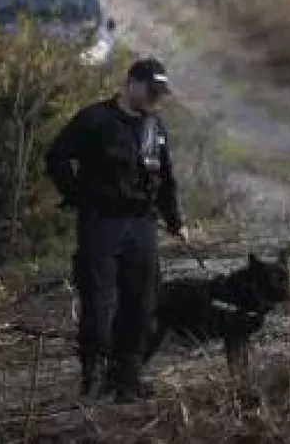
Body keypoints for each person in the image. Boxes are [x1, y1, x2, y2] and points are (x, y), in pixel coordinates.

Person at [45, 57, 189, 403]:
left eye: (160, 93)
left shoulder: (157, 129)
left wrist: (176, 221)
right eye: (151, 91)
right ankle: (92, 377)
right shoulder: (94, 119)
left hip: (142, 224)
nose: (156, 98)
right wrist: (78, 194)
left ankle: (126, 378)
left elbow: (166, 180)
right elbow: (57, 157)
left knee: (141, 303)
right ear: (131, 84)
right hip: (101, 223)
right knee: (98, 304)